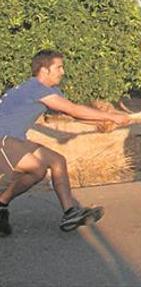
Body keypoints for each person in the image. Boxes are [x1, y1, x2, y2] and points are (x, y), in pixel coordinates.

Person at [0, 50, 130, 236]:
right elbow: (74, 109)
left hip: (13, 138)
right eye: (59, 67)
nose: (62, 72)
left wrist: (103, 122)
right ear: (44, 70)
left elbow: (71, 114)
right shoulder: (36, 88)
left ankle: (69, 213)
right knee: (36, 166)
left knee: (55, 162)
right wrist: (111, 116)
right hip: (3, 139)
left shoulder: (48, 91)